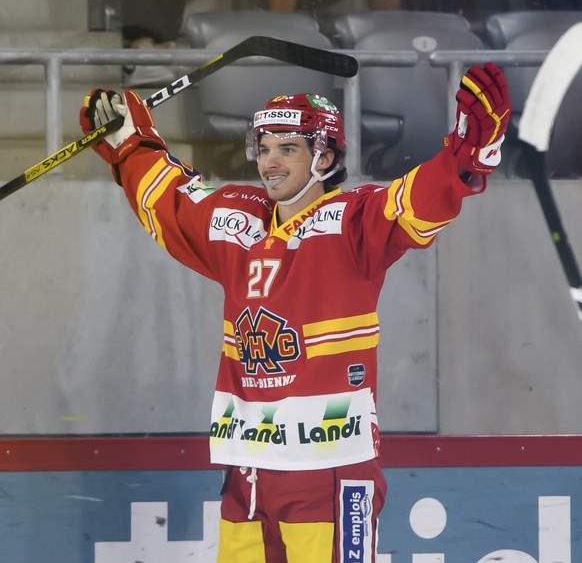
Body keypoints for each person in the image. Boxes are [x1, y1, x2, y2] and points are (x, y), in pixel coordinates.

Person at [79, 62, 510, 561]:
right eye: (263, 149)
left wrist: (467, 155)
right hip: (247, 477)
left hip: (330, 475)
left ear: (323, 154)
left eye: (288, 148)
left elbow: (419, 198)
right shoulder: (235, 221)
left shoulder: (354, 222)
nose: (270, 163)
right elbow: (172, 200)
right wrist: (131, 143)